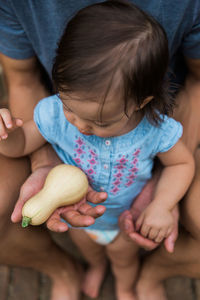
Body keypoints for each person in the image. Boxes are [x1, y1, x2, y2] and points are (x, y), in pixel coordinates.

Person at [0, 0, 199, 299]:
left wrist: (161, 205)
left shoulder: (156, 129)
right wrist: (8, 136)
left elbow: (181, 165)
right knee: (89, 248)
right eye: (70, 107)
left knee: (124, 258)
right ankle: (94, 268)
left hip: (128, 215)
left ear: (140, 103)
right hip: (76, 211)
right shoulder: (54, 113)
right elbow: (22, 145)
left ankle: (125, 285)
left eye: (99, 121)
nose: (79, 125)